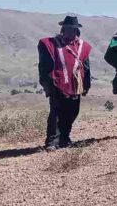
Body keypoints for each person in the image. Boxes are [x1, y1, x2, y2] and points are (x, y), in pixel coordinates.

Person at [37, 15, 91, 150]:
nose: (71, 32)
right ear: (63, 29)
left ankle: (64, 138)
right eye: (68, 29)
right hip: (57, 83)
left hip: (76, 84)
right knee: (56, 113)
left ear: (77, 31)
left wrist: (86, 85)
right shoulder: (51, 45)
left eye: (73, 29)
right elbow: (44, 66)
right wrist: (46, 84)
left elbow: (86, 67)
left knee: (72, 112)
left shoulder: (82, 47)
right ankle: (51, 142)